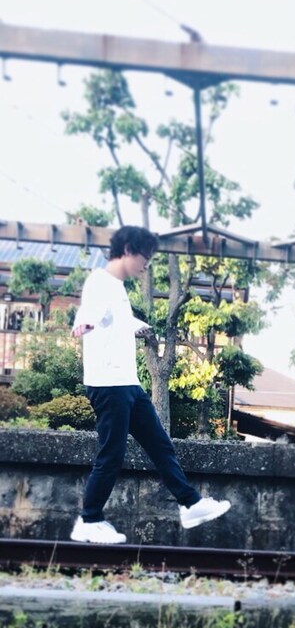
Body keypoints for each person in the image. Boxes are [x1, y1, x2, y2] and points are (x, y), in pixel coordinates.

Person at [69, 225, 230, 544]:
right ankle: (89, 520)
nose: (146, 265)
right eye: (145, 258)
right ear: (128, 250)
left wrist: (135, 325)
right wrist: (83, 323)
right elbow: (92, 311)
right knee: (112, 454)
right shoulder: (100, 282)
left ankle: (190, 504)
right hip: (108, 384)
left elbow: (112, 318)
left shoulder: (116, 287)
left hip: (127, 383)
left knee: (160, 445)